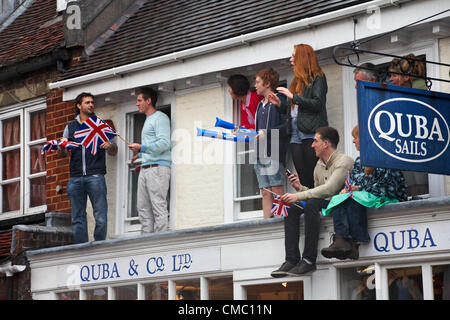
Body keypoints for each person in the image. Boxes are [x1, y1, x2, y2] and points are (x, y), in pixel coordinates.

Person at [271, 126, 353, 277]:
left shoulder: (344, 161)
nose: (312, 145)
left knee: (311, 203)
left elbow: (329, 189)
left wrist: (298, 195)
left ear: (326, 143)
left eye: (315, 141)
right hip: (324, 203)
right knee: (292, 207)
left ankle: (309, 260)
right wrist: (299, 188)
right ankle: (291, 260)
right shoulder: (319, 165)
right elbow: (317, 192)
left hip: (340, 205)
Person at [320, 125, 407, 260]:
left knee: (354, 197)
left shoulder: (386, 157)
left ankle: (352, 241)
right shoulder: (360, 161)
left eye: (356, 138)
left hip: (387, 199)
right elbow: (352, 182)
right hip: (364, 199)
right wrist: (347, 189)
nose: (354, 141)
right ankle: (342, 240)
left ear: (367, 139)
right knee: (340, 197)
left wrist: (359, 188)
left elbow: (388, 186)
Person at [59, 92, 118, 244]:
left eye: (92, 102)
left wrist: (110, 146)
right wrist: (62, 146)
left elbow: (114, 151)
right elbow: (62, 154)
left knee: (100, 217)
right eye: (87, 102)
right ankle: (82, 249)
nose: (91, 105)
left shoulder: (100, 124)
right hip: (75, 177)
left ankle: (98, 246)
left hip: (96, 176)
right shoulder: (70, 127)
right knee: (77, 218)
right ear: (79, 106)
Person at [268, 43, 328, 188]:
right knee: (302, 173)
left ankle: (317, 206)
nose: (290, 59)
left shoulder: (318, 78)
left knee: (313, 172)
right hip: (295, 130)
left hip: (310, 129)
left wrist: (293, 97)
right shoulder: (296, 81)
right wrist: (280, 105)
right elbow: (294, 110)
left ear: (302, 58)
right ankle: (307, 203)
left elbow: (318, 104)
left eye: (293, 56)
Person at [128, 87, 171, 234]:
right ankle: (145, 244)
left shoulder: (160, 118)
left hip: (158, 168)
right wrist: (139, 155)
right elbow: (152, 146)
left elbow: (164, 144)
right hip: (146, 168)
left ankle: (160, 244)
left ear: (149, 101)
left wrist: (142, 148)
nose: (137, 104)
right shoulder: (148, 120)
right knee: (143, 208)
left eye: (139, 100)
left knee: (158, 206)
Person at [388, 55, 428, 197]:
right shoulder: (405, 91)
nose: (390, 79)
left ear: (406, 77)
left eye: (394, 75)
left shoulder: (420, 90)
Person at [253, 68, 289, 219]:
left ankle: (283, 221)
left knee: (276, 188)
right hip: (260, 153)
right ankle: (266, 223)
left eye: (258, 82)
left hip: (274, 151)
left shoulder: (280, 100)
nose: (255, 85)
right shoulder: (260, 105)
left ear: (267, 84)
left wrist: (266, 133)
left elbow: (287, 127)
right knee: (265, 191)